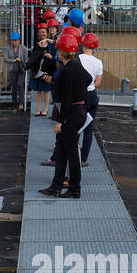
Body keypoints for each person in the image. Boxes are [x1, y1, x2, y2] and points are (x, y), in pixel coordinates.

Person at [39, 33, 90, 199]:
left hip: (72, 113)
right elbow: (88, 79)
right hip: (78, 111)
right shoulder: (76, 65)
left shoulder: (68, 69)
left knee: (70, 152)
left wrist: (60, 121)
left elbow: (67, 99)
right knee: (61, 149)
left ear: (62, 52)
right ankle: (56, 185)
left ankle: (74, 188)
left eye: (58, 50)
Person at [78, 32, 103, 166]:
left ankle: (72, 155)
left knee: (75, 125)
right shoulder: (98, 62)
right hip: (92, 95)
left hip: (79, 95)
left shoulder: (78, 59)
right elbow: (98, 83)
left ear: (82, 44)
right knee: (88, 127)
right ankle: (83, 158)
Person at [26, 25, 53, 116]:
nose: (42, 34)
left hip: (47, 70)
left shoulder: (50, 44)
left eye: (44, 32)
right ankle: (38, 109)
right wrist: (43, 54)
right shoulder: (37, 44)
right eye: (40, 32)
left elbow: (53, 56)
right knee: (37, 91)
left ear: (47, 33)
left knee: (46, 90)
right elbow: (34, 57)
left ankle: (45, 109)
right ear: (38, 34)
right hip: (37, 71)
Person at [5, 31, 29, 112]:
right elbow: (6, 59)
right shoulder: (8, 48)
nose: (14, 42)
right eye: (13, 40)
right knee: (14, 87)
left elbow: (26, 60)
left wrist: (21, 60)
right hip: (12, 70)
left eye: (16, 40)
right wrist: (14, 60)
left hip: (21, 69)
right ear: (11, 41)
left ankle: (21, 103)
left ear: (19, 40)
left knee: (20, 84)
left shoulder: (24, 48)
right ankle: (15, 105)